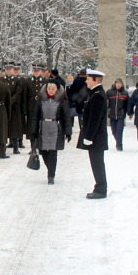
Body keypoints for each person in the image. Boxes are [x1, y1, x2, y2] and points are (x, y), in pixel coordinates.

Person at [76, 69, 108, 199]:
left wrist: (88, 137)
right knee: (96, 163)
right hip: (96, 137)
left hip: (96, 137)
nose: (86, 80)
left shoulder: (98, 95)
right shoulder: (95, 93)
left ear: (95, 80)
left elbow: (95, 119)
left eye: (88, 78)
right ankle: (99, 187)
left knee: (97, 163)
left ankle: (101, 189)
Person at [32, 81, 72, 185]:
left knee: (53, 152)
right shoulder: (41, 99)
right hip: (43, 128)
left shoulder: (62, 100)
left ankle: (51, 175)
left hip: (56, 128)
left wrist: (68, 131)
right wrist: (33, 131)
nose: (50, 90)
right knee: (43, 151)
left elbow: (66, 116)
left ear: (57, 90)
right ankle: (50, 169)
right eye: (49, 88)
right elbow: (35, 116)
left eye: (53, 89)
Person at [23, 63, 47, 153]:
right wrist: (25, 108)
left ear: (41, 71)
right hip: (31, 107)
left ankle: (40, 146)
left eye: (38, 71)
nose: (36, 72)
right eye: (34, 71)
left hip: (42, 107)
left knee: (41, 127)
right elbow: (24, 96)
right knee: (31, 128)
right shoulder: (28, 81)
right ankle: (33, 147)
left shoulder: (45, 81)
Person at [3, 62, 23, 153]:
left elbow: (18, 93)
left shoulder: (17, 80)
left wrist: (10, 102)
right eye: (7, 69)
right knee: (4, 127)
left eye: (10, 69)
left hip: (14, 107)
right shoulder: (1, 80)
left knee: (14, 128)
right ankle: (2, 147)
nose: (8, 70)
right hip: (3, 107)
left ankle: (15, 147)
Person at [105, 78, 128, 151]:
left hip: (121, 115)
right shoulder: (109, 92)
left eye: (120, 83)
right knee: (114, 131)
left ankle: (119, 146)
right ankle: (118, 142)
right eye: (117, 83)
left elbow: (127, 104)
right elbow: (106, 102)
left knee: (119, 131)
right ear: (115, 84)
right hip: (112, 115)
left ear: (122, 84)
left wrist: (127, 112)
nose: (118, 85)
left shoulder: (125, 93)